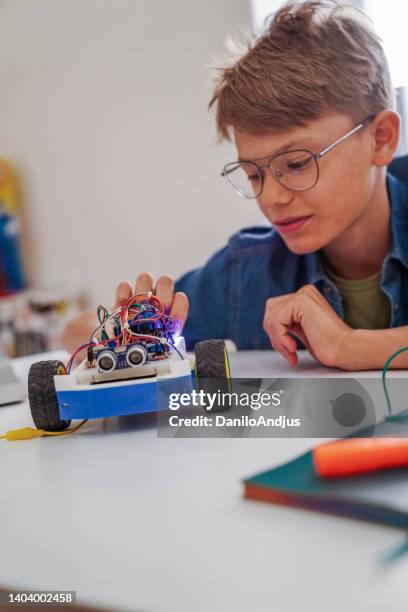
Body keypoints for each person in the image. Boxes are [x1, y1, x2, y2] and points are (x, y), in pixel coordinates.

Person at [63, 0, 408, 370]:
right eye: (254, 175)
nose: (271, 198)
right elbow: (73, 331)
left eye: (296, 164)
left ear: (381, 139)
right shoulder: (250, 274)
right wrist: (133, 330)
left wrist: (351, 347)